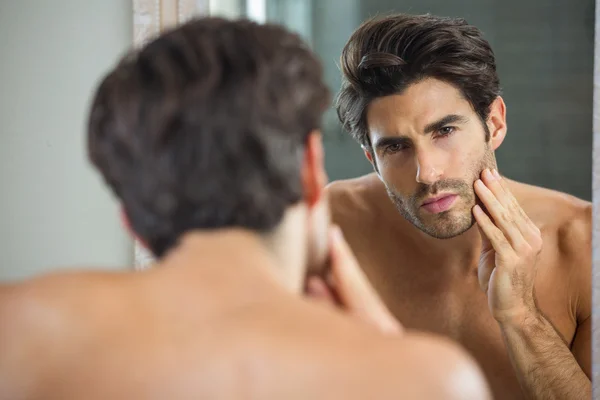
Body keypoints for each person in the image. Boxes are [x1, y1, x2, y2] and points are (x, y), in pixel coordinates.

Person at [0, 17, 491, 400]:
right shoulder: (428, 381)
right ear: (310, 171)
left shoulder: (16, 331)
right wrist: (393, 355)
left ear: (132, 220)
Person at [331, 12, 592, 400]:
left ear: (495, 123)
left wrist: (520, 316)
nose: (427, 173)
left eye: (445, 131)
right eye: (396, 147)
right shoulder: (334, 226)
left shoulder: (584, 244)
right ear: (372, 158)